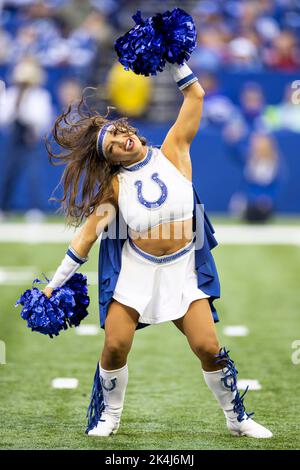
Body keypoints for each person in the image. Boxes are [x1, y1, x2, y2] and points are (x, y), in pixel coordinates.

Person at [43, 61, 272, 439]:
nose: (121, 141)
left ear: (128, 128)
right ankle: (110, 417)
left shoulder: (173, 150)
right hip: (138, 270)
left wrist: (177, 58)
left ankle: (237, 417)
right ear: (110, 160)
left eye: (119, 133)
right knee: (115, 346)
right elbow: (85, 238)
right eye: (113, 147)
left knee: (208, 347)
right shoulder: (113, 188)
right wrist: (54, 284)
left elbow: (195, 96)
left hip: (182, 269)